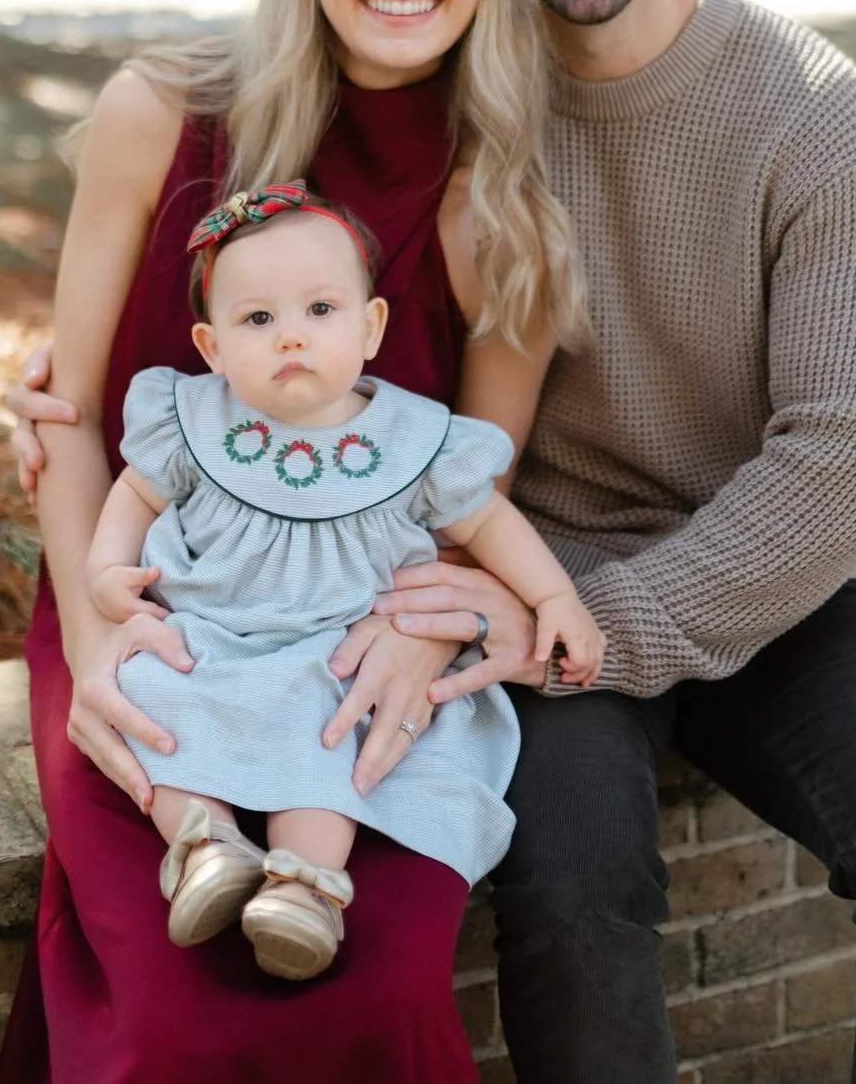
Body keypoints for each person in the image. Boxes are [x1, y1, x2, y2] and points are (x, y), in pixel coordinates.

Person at [11, 0, 856, 1083]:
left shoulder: (809, 109)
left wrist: (571, 616)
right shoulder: (464, 90)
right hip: (505, 581)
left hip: (713, 585)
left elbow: (850, 459)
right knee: (572, 892)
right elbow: (181, 347)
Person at [0, 0, 587, 1083]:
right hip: (158, 614)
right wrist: (103, 648)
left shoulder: (503, 212)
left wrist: (422, 629)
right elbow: (67, 415)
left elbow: (470, 506)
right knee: (173, 1013)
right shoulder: (161, 114)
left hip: (360, 653)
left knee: (374, 984)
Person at [89, 186, 603, 982]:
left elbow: (489, 525)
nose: (290, 334)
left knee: (331, 727)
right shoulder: (192, 418)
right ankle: (203, 843)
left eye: (320, 309)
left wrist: (555, 597)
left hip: (336, 647)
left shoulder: (415, 441)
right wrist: (107, 573)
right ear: (213, 345)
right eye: (257, 319)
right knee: (152, 689)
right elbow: (134, 493)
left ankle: (305, 885)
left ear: (369, 329)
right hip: (210, 633)